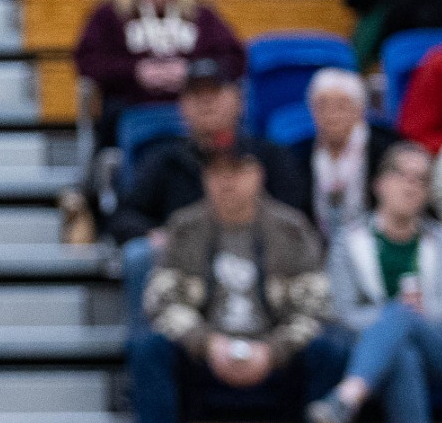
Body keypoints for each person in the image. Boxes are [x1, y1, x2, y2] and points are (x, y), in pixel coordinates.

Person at [133, 142, 342, 423]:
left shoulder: (291, 228)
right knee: (148, 349)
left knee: (330, 351)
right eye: (217, 174)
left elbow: (315, 308)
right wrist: (206, 344)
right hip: (203, 363)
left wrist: (273, 352)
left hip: (276, 362)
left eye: (237, 172)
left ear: (257, 175)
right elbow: (162, 302)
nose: (227, 183)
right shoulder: (185, 227)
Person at [111, 60, 307, 336]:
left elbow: (295, 215)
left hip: (260, 258)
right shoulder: (164, 160)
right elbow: (123, 216)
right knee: (139, 255)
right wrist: (154, 234)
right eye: (195, 95)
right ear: (182, 107)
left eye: (214, 92)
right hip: (184, 267)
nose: (206, 102)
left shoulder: (268, 157)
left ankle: (283, 346)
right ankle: (149, 347)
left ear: (238, 100)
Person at [311, 142, 442, 423]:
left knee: (402, 316)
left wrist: (404, 317)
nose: (411, 187)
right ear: (379, 183)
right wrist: (392, 321)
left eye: (421, 180)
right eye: (402, 176)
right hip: (382, 357)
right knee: (401, 352)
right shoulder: (348, 242)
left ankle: (345, 399)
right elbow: (340, 311)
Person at [72, 0, 245, 146]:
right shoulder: (111, 14)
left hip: (193, 111)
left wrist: (190, 72)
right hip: (132, 108)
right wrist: (136, 72)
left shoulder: (201, 15)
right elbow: (87, 60)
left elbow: (234, 59)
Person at [291, 67, 401, 238]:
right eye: (323, 105)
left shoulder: (387, 149)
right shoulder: (299, 153)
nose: (331, 114)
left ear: (360, 110)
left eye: (341, 105)